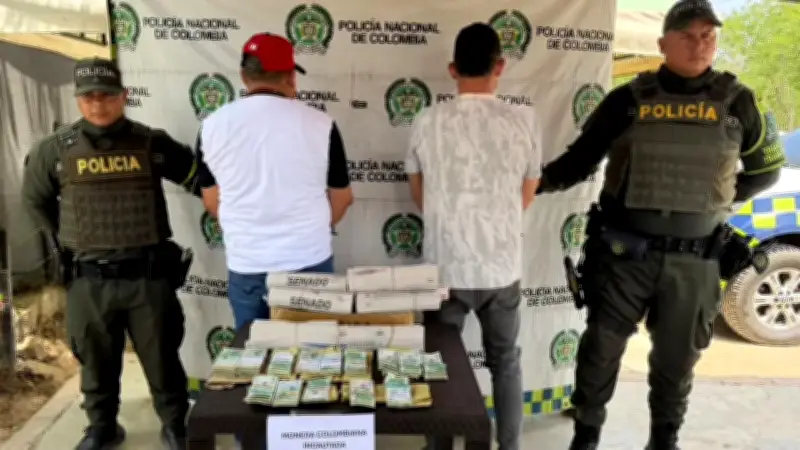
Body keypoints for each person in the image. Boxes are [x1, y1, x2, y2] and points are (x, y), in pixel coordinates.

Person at [536, 2, 786, 449]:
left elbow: (765, 171)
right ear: (662, 44)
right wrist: (528, 185)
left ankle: (664, 440)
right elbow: (578, 162)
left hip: (695, 261)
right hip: (623, 256)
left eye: (708, 35)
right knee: (600, 352)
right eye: (688, 35)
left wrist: (716, 202)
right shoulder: (627, 100)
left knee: (677, 363)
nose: (700, 44)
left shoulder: (738, 102)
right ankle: (586, 437)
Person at [22, 58, 204, 450]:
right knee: (95, 362)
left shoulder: (151, 143)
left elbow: (199, 179)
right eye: (89, 96)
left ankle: (175, 424)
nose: (98, 104)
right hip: (89, 281)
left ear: (124, 96)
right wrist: (63, 242)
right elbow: (35, 200)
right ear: (78, 100)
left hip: (147, 278)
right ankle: (102, 427)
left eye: (106, 95)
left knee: (163, 359)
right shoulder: (54, 150)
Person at [406, 22, 541, 450]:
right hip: (501, 267)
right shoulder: (524, 121)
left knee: (439, 364)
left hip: (445, 266)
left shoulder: (428, 120)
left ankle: (439, 447)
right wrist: (495, 221)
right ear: (500, 66)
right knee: (506, 362)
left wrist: (449, 219)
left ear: (452, 69)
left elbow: (418, 191)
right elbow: (527, 193)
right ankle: (510, 446)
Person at [196, 32, 353, 331]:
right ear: (291, 77)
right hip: (308, 260)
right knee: (314, 354)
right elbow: (342, 198)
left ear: (244, 76)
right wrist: (307, 230)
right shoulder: (321, 124)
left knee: (253, 353)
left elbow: (212, 202)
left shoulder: (211, 127)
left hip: (247, 266)